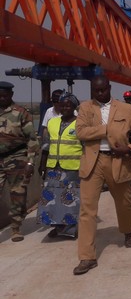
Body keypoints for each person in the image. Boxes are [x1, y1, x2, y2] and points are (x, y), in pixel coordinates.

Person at [73, 75, 131, 275]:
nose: (99, 94)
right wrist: (106, 129)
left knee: (124, 203)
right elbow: (80, 132)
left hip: (118, 161)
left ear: (109, 88)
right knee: (87, 210)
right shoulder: (85, 108)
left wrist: (130, 149)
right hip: (93, 162)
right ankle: (86, 257)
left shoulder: (126, 109)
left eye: (102, 90)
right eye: (95, 91)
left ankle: (128, 230)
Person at [37, 93, 82, 238]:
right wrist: (42, 165)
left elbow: (86, 147)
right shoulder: (52, 122)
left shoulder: (80, 123)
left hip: (72, 167)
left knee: (70, 199)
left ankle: (71, 230)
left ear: (75, 106)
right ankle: (57, 227)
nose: (65, 107)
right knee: (51, 199)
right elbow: (45, 145)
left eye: (68, 105)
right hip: (53, 167)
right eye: (62, 105)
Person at [0, 81, 40, 242]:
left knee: (17, 194)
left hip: (17, 158)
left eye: (5, 95)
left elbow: (32, 140)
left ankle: (16, 228)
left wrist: (30, 163)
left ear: (11, 95)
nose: (2, 98)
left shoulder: (21, 113)